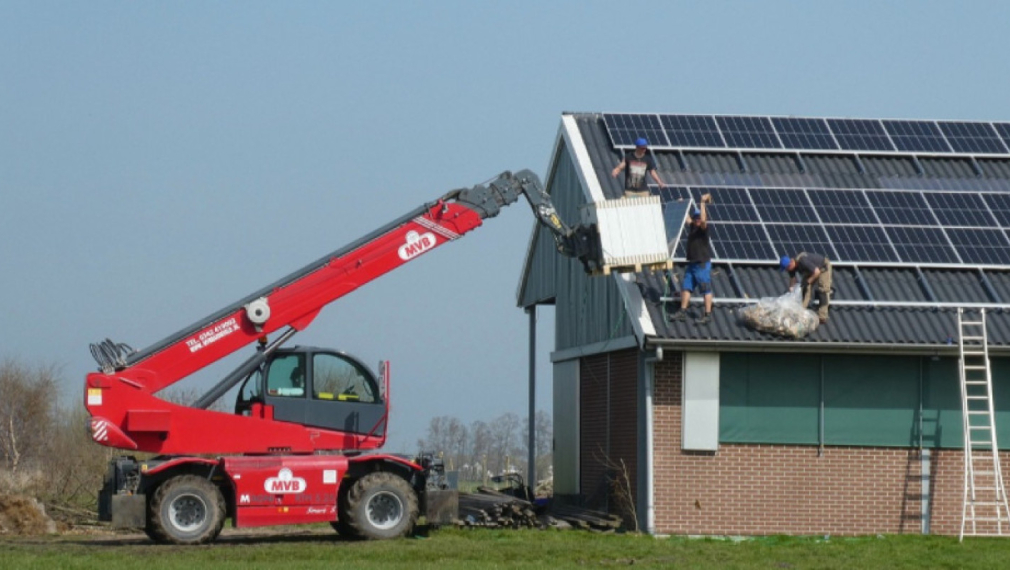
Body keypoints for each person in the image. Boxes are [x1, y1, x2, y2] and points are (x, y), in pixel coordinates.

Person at [671, 193, 713, 324]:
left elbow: (704, 220)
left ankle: (707, 315)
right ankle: (682, 312)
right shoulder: (693, 227)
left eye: (698, 218)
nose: (697, 220)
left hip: (702, 264)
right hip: (692, 264)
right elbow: (687, 218)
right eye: (696, 218)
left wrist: (702, 202)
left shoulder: (703, 229)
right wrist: (682, 204)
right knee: (686, 287)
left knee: (705, 288)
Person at [780, 252, 832, 324]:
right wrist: (791, 290)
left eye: (787, 268)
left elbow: (817, 272)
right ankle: (802, 310)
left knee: (823, 290)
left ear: (791, 263)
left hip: (823, 267)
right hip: (811, 271)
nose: (787, 270)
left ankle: (822, 316)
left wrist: (808, 281)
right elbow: (792, 279)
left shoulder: (802, 261)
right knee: (804, 288)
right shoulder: (791, 267)